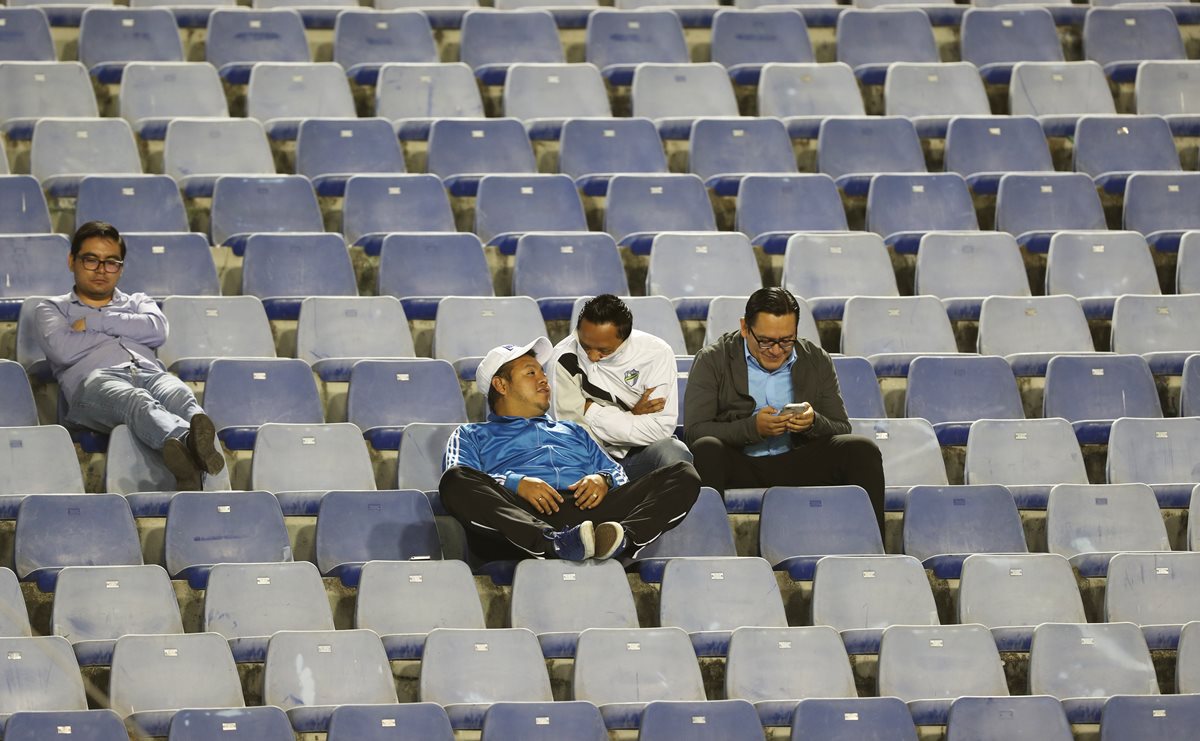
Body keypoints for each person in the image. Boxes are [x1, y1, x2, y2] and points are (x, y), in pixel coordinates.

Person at [439, 338, 701, 562]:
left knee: (682, 473)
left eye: (543, 373)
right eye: (531, 373)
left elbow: (617, 474)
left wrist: (603, 479)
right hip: (522, 517)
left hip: (587, 515)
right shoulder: (470, 435)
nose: (544, 380)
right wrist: (515, 483)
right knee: (455, 481)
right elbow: (458, 476)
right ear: (501, 385)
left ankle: (621, 540)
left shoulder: (573, 430)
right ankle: (553, 543)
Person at [36, 221, 225, 490]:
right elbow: (64, 350)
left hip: (150, 373)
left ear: (121, 268)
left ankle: (191, 457)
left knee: (180, 392)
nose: (101, 270)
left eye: (111, 262)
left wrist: (95, 322)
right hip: (95, 385)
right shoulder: (51, 309)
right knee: (136, 399)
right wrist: (129, 326)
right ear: (72, 261)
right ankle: (188, 443)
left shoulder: (138, 300)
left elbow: (157, 330)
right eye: (91, 260)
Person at [684, 287, 885, 528]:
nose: (777, 350)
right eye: (766, 341)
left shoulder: (815, 359)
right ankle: (710, 545)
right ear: (745, 327)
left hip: (797, 461)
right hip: (740, 462)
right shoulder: (713, 359)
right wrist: (752, 428)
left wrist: (813, 422)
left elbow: (841, 427)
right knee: (707, 449)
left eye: (786, 340)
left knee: (862, 450)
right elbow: (694, 431)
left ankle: (874, 548)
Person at [549, 294, 692, 481]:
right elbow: (573, 435)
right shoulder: (562, 359)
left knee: (675, 454)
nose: (592, 356)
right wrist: (633, 415)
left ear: (625, 339)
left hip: (640, 455)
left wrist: (591, 410)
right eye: (585, 346)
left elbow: (659, 429)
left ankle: (663, 511)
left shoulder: (656, 353)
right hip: (590, 461)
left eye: (604, 351)